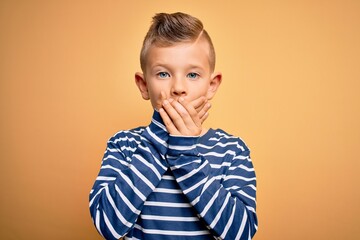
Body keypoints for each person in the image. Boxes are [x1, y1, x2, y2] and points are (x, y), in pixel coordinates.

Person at [89, 12, 258, 240]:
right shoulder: (123, 145)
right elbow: (107, 224)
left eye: (192, 74)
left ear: (211, 86)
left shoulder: (232, 150)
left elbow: (241, 233)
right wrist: (160, 136)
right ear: (144, 85)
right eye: (163, 73)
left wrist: (186, 156)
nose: (178, 87)